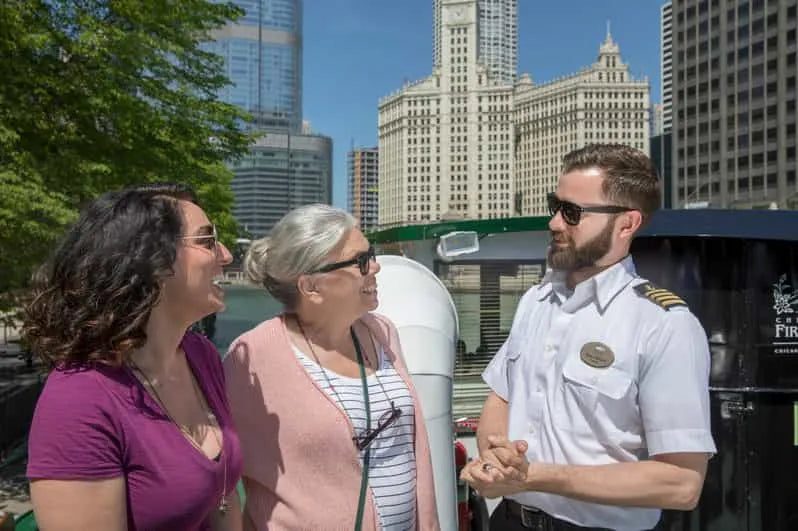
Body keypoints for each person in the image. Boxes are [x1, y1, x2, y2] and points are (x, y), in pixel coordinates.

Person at [461, 144, 716, 531]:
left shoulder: (663, 325)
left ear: (627, 224)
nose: (554, 223)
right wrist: (497, 457)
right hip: (510, 521)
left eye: (572, 213)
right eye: (555, 205)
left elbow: (681, 483)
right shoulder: (536, 300)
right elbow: (501, 396)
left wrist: (536, 476)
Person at [24, 183, 243, 530]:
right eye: (207, 240)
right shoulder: (79, 400)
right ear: (151, 262)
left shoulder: (201, 356)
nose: (227, 255)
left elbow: (223, 498)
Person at [223, 204, 439, 531]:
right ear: (311, 286)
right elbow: (219, 475)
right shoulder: (251, 356)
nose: (376, 267)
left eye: (373, 254)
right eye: (361, 261)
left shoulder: (382, 333)